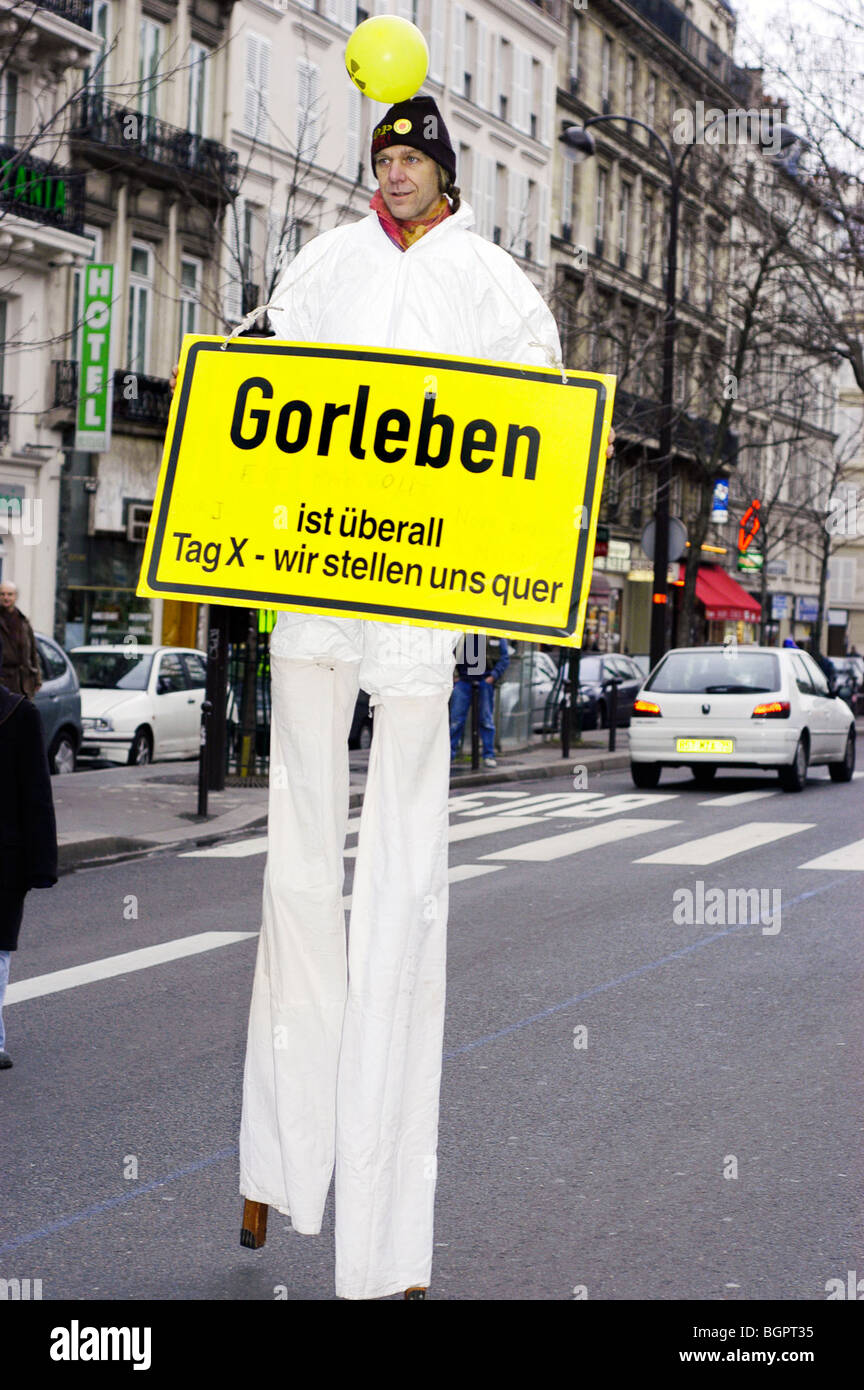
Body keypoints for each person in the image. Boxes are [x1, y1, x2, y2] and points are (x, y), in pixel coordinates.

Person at [171, 94, 612, 1301]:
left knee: (405, 903)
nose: (399, 172)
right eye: (386, 156)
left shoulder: (498, 287)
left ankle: (385, 1246)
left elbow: (536, 430)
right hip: (317, 591)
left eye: (415, 157)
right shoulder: (320, 263)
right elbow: (261, 401)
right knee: (297, 883)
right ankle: (275, 1160)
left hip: (418, 606)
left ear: (447, 171)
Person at [0, 633, 58, 1069]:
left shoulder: (22, 715)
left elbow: (37, 794)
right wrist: (41, 865)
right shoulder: (21, 715)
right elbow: (37, 795)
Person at [449, 634, 510, 767]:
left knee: (486, 720)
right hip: (463, 681)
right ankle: (449, 755)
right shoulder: (461, 633)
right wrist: (454, 676)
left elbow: (504, 658)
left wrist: (492, 677)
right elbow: (449, 652)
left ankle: (488, 755)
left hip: (484, 681)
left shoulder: (494, 633)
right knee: (456, 720)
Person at [0, 580, 42, 698]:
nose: (6, 597)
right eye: (2, 594)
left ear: (16, 597)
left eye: (9, 594)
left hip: (24, 684)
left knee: (23, 715)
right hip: (3, 682)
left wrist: (37, 678)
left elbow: (33, 652)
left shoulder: (24, 622)